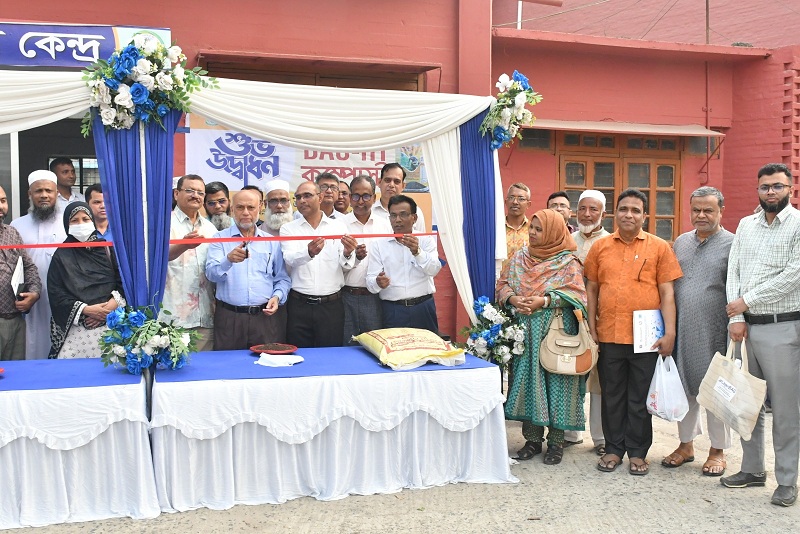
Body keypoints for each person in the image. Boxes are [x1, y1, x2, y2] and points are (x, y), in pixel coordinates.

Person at [585, 188, 682, 476]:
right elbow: (591, 289)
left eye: (635, 210)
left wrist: (670, 333)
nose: (629, 214)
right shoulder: (600, 248)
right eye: (624, 209)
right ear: (615, 213)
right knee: (612, 396)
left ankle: (638, 452)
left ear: (645, 216)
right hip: (609, 334)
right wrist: (592, 327)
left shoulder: (659, 247)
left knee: (639, 398)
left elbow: (667, 293)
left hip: (646, 338)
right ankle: (614, 450)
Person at [722, 163, 800, 507]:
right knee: (745, 402)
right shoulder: (745, 225)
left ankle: (786, 480)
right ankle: (752, 469)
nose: (770, 192)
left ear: (790, 189)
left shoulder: (798, 225)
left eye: (777, 186)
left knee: (785, 410)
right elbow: (733, 271)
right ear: (758, 190)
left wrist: (747, 300)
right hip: (745, 328)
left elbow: (794, 275)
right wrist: (737, 315)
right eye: (765, 187)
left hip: (783, 327)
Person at [496, 209, 587, 465]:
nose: (533, 234)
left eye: (539, 229)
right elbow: (503, 284)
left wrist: (545, 300)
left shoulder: (568, 262)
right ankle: (532, 440)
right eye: (532, 228)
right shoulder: (519, 258)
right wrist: (513, 298)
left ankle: (556, 443)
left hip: (557, 335)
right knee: (529, 383)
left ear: (554, 232)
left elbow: (579, 296)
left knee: (558, 384)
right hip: (526, 335)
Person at [659, 186, 733, 475]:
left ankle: (718, 450)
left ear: (720, 211)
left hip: (717, 330)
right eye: (696, 210)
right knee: (684, 387)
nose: (701, 215)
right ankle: (685, 444)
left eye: (708, 210)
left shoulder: (732, 243)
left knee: (717, 391)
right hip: (683, 331)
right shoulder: (681, 242)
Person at [206, 189, 291, 350]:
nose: (245, 213)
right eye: (240, 207)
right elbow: (211, 274)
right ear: (232, 210)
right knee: (227, 368)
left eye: (250, 208)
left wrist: (277, 297)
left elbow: (282, 278)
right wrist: (228, 261)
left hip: (265, 318)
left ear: (260, 208)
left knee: (266, 368)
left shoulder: (271, 241)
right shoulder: (219, 239)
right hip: (229, 318)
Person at [280, 181, 356, 347]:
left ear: (321, 197)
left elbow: (346, 265)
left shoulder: (338, 226)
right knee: (298, 356)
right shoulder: (288, 229)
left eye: (307, 195)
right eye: (298, 197)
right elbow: (289, 258)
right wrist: (309, 253)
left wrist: (348, 253)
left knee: (330, 358)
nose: (302, 201)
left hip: (331, 306)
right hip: (299, 305)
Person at [47, 202, 125, 359]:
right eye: (74, 221)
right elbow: (56, 294)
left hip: (111, 325)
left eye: (85, 219)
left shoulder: (107, 249)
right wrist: (87, 310)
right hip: (78, 332)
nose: (81, 224)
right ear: (66, 225)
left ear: (93, 221)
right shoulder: (61, 255)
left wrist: (109, 307)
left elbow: (123, 281)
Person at [563, 189, 609, 454]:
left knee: (599, 380)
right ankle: (570, 432)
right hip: (570, 317)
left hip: (601, 317)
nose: (587, 214)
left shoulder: (611, 241)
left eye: (593, 209)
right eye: (582, 209)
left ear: (603, 213)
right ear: (575, 211)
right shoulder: (567, 240)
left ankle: (601, 438)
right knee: (570, 372)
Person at [10, 170, 67, 359]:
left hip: (63, 294)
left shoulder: (68, 223)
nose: (44, 195)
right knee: (31, 343)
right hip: (30, 299)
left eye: (49, 191)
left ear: (57, 192)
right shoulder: (17, 226)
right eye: (38, 191)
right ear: (29, 194)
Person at [366, 195, 441, 333]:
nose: (398, 220)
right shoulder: (379, 244)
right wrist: (378, 282)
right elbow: (370, 282)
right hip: (393, 310)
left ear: (414, 218)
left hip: (423, 307)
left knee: (426, 351)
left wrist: (418, 252)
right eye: (393, 216)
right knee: (396, 353)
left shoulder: (425, 240)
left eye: (403, 215)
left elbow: (434, 270)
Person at [162, 175, 217, 351]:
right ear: (176, 193)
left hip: (204, 316)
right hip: (173, 317)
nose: (196, 195)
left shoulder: (210, 228)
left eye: (200, 192)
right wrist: (182, 246)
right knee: (173, 372)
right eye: (190, 191)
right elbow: (153, 262)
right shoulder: (163, 224)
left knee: (203, 372)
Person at [341, 175, 392, 344]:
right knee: (346, 347)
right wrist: (351, 255)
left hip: (375, 298)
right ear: (349, 197)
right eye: (355, 196)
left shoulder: (385, 225)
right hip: (345, 297)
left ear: (374, 197)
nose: (360, 201)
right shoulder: (339, 225)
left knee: (374, 347)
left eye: (366, 196)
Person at [0, 186, 41, 361]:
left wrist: (34, 293)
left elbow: (28, 267)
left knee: (14, 379)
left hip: (16, 320)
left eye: (3, 201)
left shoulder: (12, 233)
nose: (1, 206)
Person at [372, 163, 426, 233]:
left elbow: (421, 240)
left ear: (403, 186)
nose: (391, 185)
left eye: (396, 181)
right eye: (387, 180)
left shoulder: (415, 211)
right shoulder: (370, 211)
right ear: (379, 182)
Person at [503, 182, 531, 271]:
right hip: (497, 282)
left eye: (521, 199)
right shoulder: (495, 229)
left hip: (525, 282)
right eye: (511, 198)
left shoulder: (533, 230)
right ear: (506, 202)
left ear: (528, 204)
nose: (515, 202)